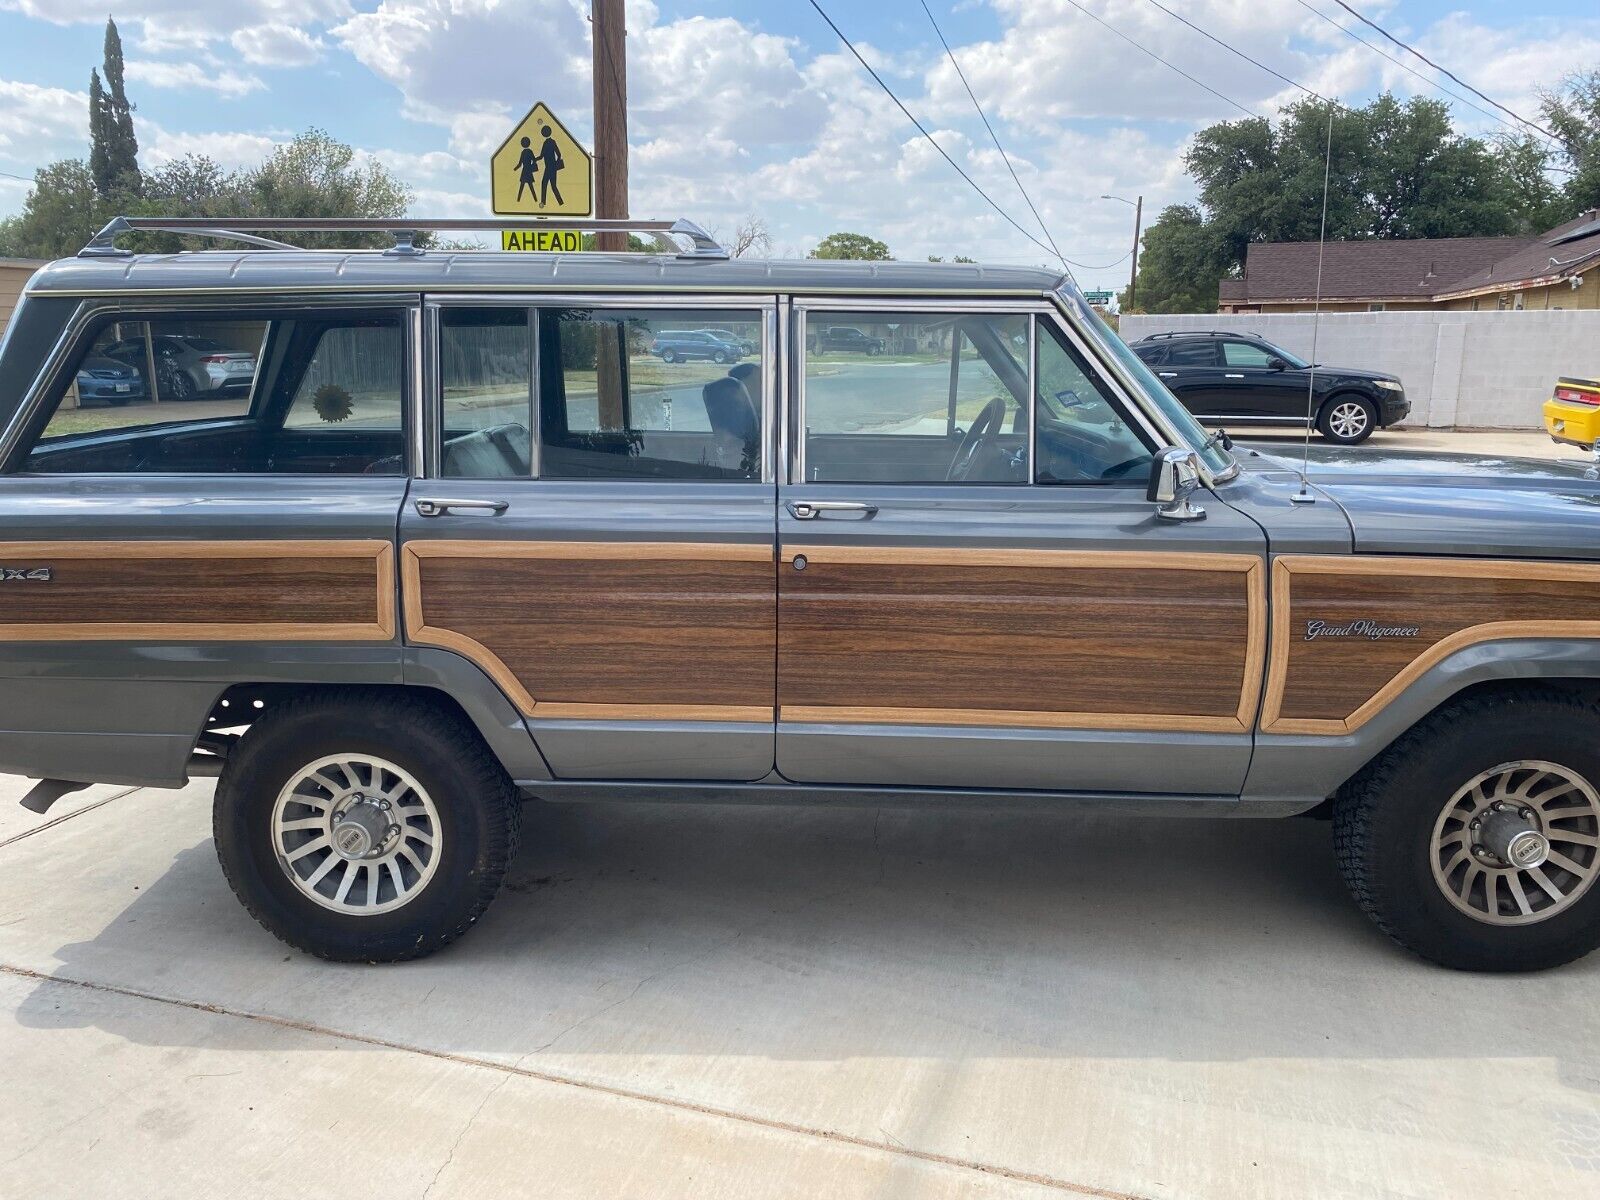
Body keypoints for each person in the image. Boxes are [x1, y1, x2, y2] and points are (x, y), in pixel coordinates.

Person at [538, 125, 565, 208]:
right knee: (553, 186)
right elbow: (559, 154)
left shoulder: (546, 143)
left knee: (544, 183)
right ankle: (560, 202)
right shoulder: (552, 142)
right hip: (552, 167)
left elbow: (541, 156)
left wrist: (534, 160)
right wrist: (556, 164)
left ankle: (543, 202)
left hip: (549, 167)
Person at [514, 136, 538, 203]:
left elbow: (520, 164)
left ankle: (518, 200)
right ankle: (535, 200)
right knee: (529, 187)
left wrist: (515, 169)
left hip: (525, 171)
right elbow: (534, 160)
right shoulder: (529, 152)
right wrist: (514, 170)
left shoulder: (523, 152)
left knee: (523, 187)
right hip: (528, 171)